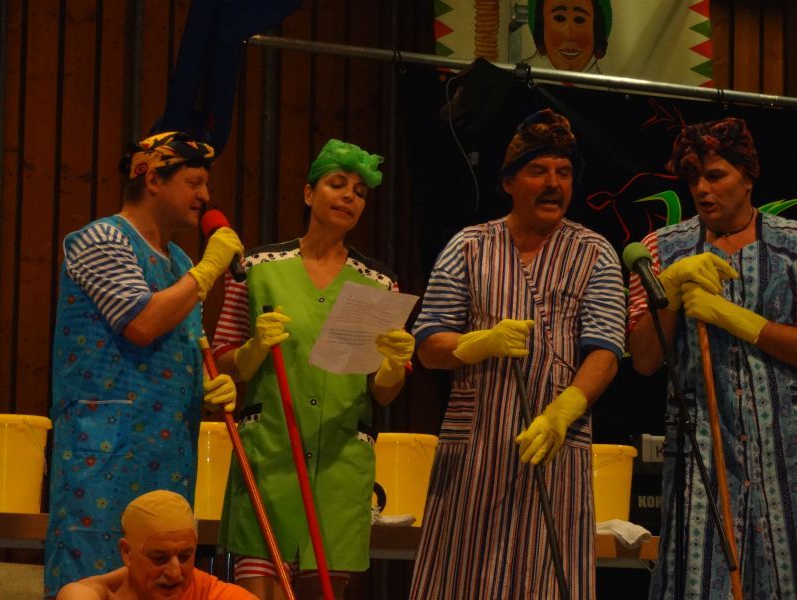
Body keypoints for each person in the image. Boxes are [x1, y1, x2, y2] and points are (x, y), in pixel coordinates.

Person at [409, 109, 626, 599]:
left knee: (546, 578)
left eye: (564, 172)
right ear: (508, 182)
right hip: (473, 453)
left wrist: (563, 411)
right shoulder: (468, 246)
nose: (553, 183)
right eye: (538, 170)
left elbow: (607, 350)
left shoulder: (595, 253)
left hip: (553, 446)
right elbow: (428, 347)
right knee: (459, 580)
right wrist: (478, 342)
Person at [212, 139, 415, 599]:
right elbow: (223, 359)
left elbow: (383, 392)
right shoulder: (256, 268)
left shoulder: (379, 282)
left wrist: (393, 365)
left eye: (359, 192)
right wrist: (255, 348)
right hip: (270, 455)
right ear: (308, 193)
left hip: (340, 466)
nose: (349, 197)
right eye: (337, 184)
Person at [45, 131, 241, 598]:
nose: (205, 196)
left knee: (164, 579)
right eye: (194, 182)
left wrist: (213, 385)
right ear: (153, 179)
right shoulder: (102, 238)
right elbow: (141, 322)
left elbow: (189, 346)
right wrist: (209, 270)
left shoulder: (180, 261)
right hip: (105, 455)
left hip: (169, 454)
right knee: (94, 576)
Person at [627, 117, 797, 599]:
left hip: (786, 456)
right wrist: (672, 288)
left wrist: (739, 320)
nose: (702, 189)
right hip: (702, 454)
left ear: (748, 176)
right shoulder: (663, 249)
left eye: (716, 175)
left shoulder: (792, 245)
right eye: (693, 179)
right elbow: (643, 359)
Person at [57, 490, 257, 600]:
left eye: (185, 556)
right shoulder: (88, 595)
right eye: (160, 558)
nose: (174, 573)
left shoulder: (214, 595)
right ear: (126, 552)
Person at [526, 0, 612, 73]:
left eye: (579, 19)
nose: (569, 35)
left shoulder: (607, 87)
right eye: (559, 18)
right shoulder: (522, 79)